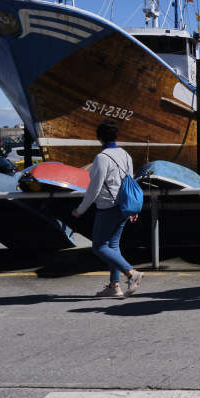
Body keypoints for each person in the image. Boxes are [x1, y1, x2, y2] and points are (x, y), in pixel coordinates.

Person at [72, 122, 143, 298]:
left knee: (98, 246)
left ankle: (131, 273)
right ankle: (114, 286)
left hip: (108, 208)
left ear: (99, 138)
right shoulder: (125, 154)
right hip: (124, 207)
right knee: (113, 245)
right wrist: (133, 209)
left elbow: (94, 188)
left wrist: (81, 209)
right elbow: (130, 181)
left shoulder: (102, 158)